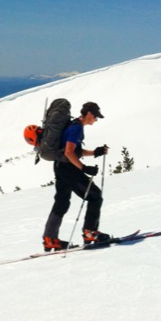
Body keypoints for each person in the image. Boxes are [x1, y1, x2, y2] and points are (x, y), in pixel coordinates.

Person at [42, 101, 109, 251]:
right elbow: (69, 152)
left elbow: (74, 150)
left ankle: (50, 239)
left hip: (60, 166)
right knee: (94, 196)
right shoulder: (76, 128)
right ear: (89, 114)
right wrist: (84, 168)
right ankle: (90, 232)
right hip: (68, 169)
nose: (96, 119)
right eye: (96, 116)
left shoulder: (74, 125)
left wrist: (94, 153)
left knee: (62, 202)